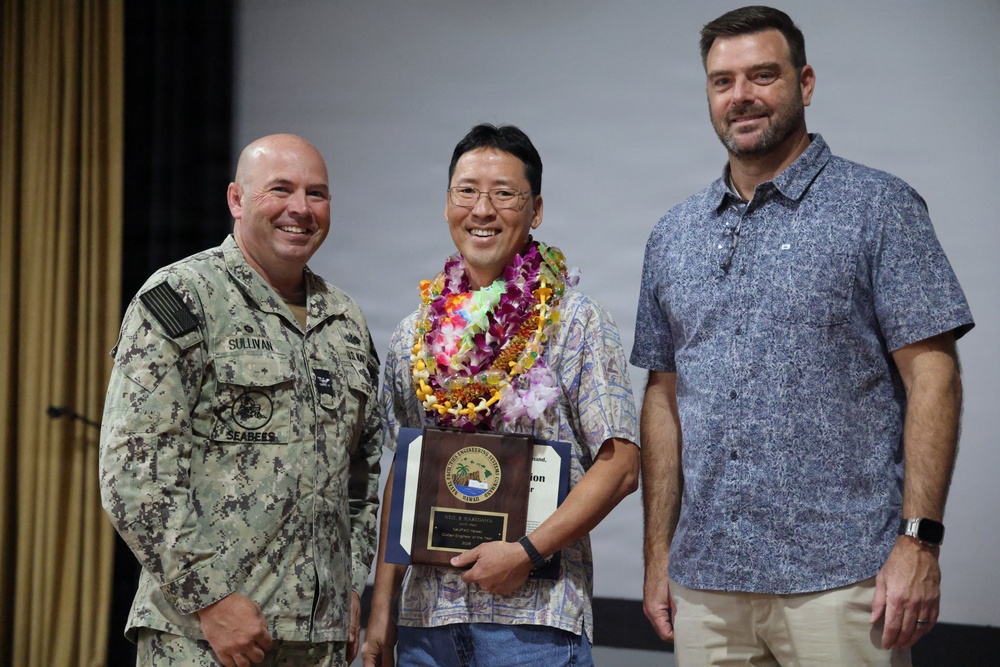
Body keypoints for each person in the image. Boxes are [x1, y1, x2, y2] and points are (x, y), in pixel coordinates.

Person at [631, 6, 975, 666]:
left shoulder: (879, 207)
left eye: (762, 75)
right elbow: (663, 396)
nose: (741, 96)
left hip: (846, 580)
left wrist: (919, 541)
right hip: (706, 584)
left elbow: (934, 376)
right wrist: (657, 556)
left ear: (805, 82)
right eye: (723, 81)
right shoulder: (673, 235)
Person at [361, 123, 639, 667]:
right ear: (447, 204)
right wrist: (381, 614)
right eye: (466, 191)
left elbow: (622, 465)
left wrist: (526, 552)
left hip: (532, 630)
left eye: (504, 194)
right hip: (425, 629)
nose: (482, 209)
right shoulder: (414, 336)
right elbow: (406, 472)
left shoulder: (576, 322)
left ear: (536, 210)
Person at [99, 133, 382, 667]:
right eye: (281, 189)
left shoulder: (345, 320)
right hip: (203, 640)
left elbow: (361, 477)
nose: (300, 208)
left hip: (319, 643)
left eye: (316, 194)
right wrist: (210, 600)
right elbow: (133, 470)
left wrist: (348, 586)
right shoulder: (184, 296)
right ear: (237, 199)